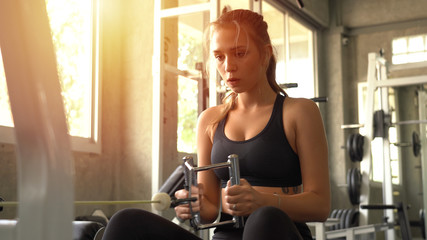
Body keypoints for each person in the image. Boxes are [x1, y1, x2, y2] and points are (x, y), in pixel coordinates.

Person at [101, 9, 330, 240]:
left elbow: (320, 206)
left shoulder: (299, 112)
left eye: (240, 53)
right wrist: (196, 205)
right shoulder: (210, 120)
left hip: (276, 232)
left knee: (264, 218)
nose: (228, 66)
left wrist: (263, 201)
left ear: (265, 54)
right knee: (125, 223)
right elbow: (210, 210)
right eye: (220, 57)